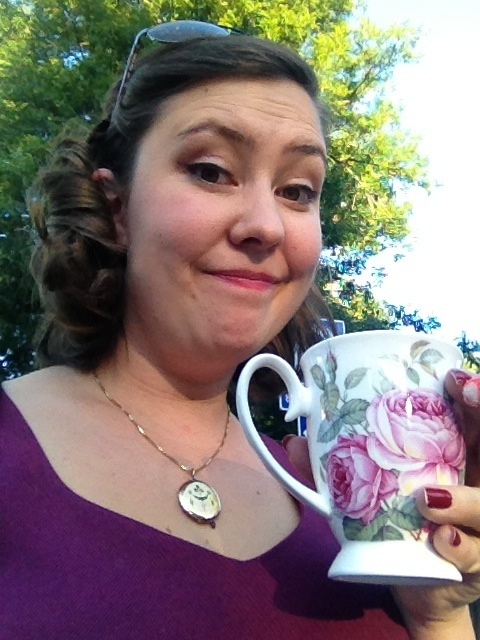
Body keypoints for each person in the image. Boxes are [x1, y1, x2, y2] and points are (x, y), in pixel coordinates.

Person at [1, 19, 479, 639]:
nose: (267, 226)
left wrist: (437, 611)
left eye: (297, 190)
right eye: (211, 170)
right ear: (117, 209)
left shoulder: (342, 500)